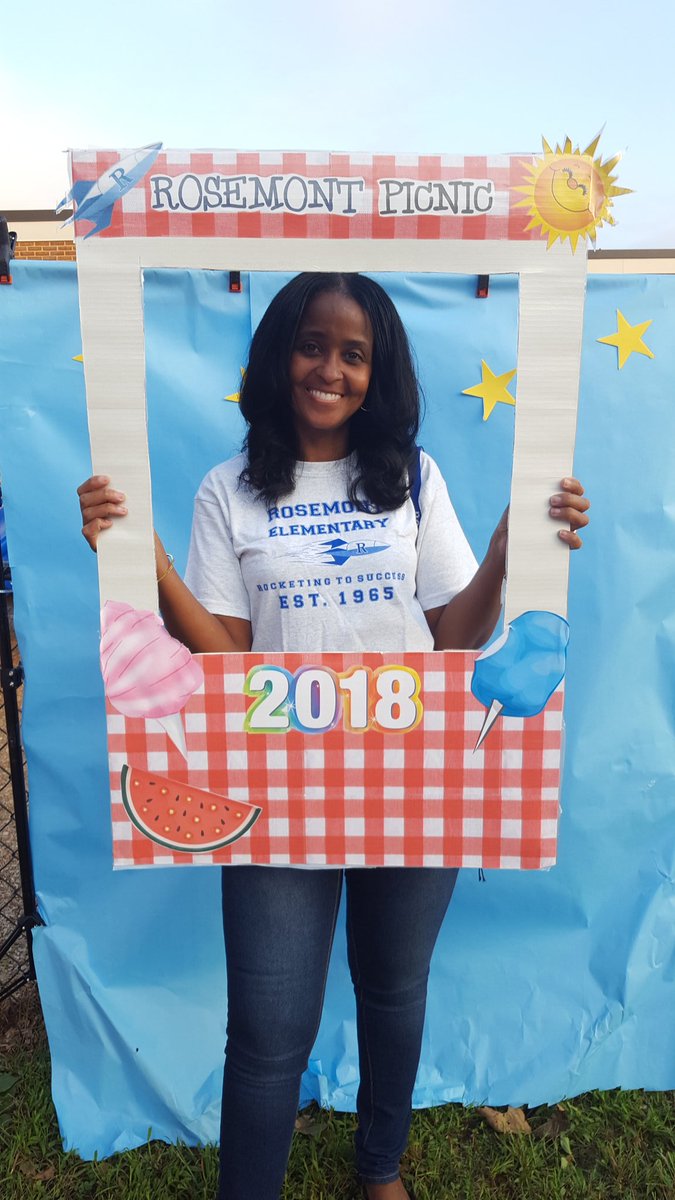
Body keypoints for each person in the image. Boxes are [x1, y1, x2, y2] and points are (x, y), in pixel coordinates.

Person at [78, 272, 590, 1200]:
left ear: (377, 371)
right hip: (273, 792)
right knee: (269, 1030)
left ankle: (379, 1170)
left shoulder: (414, 479)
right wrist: (146, 566)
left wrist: (516, 551)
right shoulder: (224, 491)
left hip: (413, 778)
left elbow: (451, 636)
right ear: (277, 355)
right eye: (311, 344)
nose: (330, 368)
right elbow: (226, 655)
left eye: (354, 353)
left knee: (395, 992)